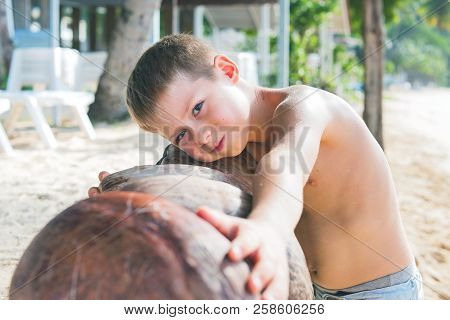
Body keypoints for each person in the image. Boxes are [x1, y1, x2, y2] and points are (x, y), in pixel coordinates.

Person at [89, 34, 423, 300]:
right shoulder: (219, 145)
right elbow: (168, 182)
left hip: (381, 293)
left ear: (227, 71)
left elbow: (284, 166)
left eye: (198, 108)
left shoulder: (306, 108)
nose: (200, 136)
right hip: (304, 293)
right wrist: (119, 202)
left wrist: (268, 229)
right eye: (180, 135)